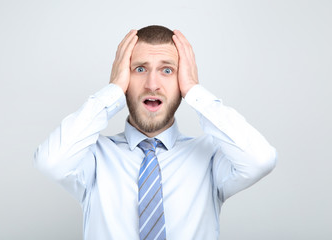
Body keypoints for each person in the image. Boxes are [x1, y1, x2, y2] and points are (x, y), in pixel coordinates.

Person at [34, 25, 277, 240]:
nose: (152, 84)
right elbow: (50, 161)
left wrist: (194, 91)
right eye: (139, 69)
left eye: (167, 70)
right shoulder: (93, 158)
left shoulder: (210, 158)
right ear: (124, 77)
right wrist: (112, 91)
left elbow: (260, 160)